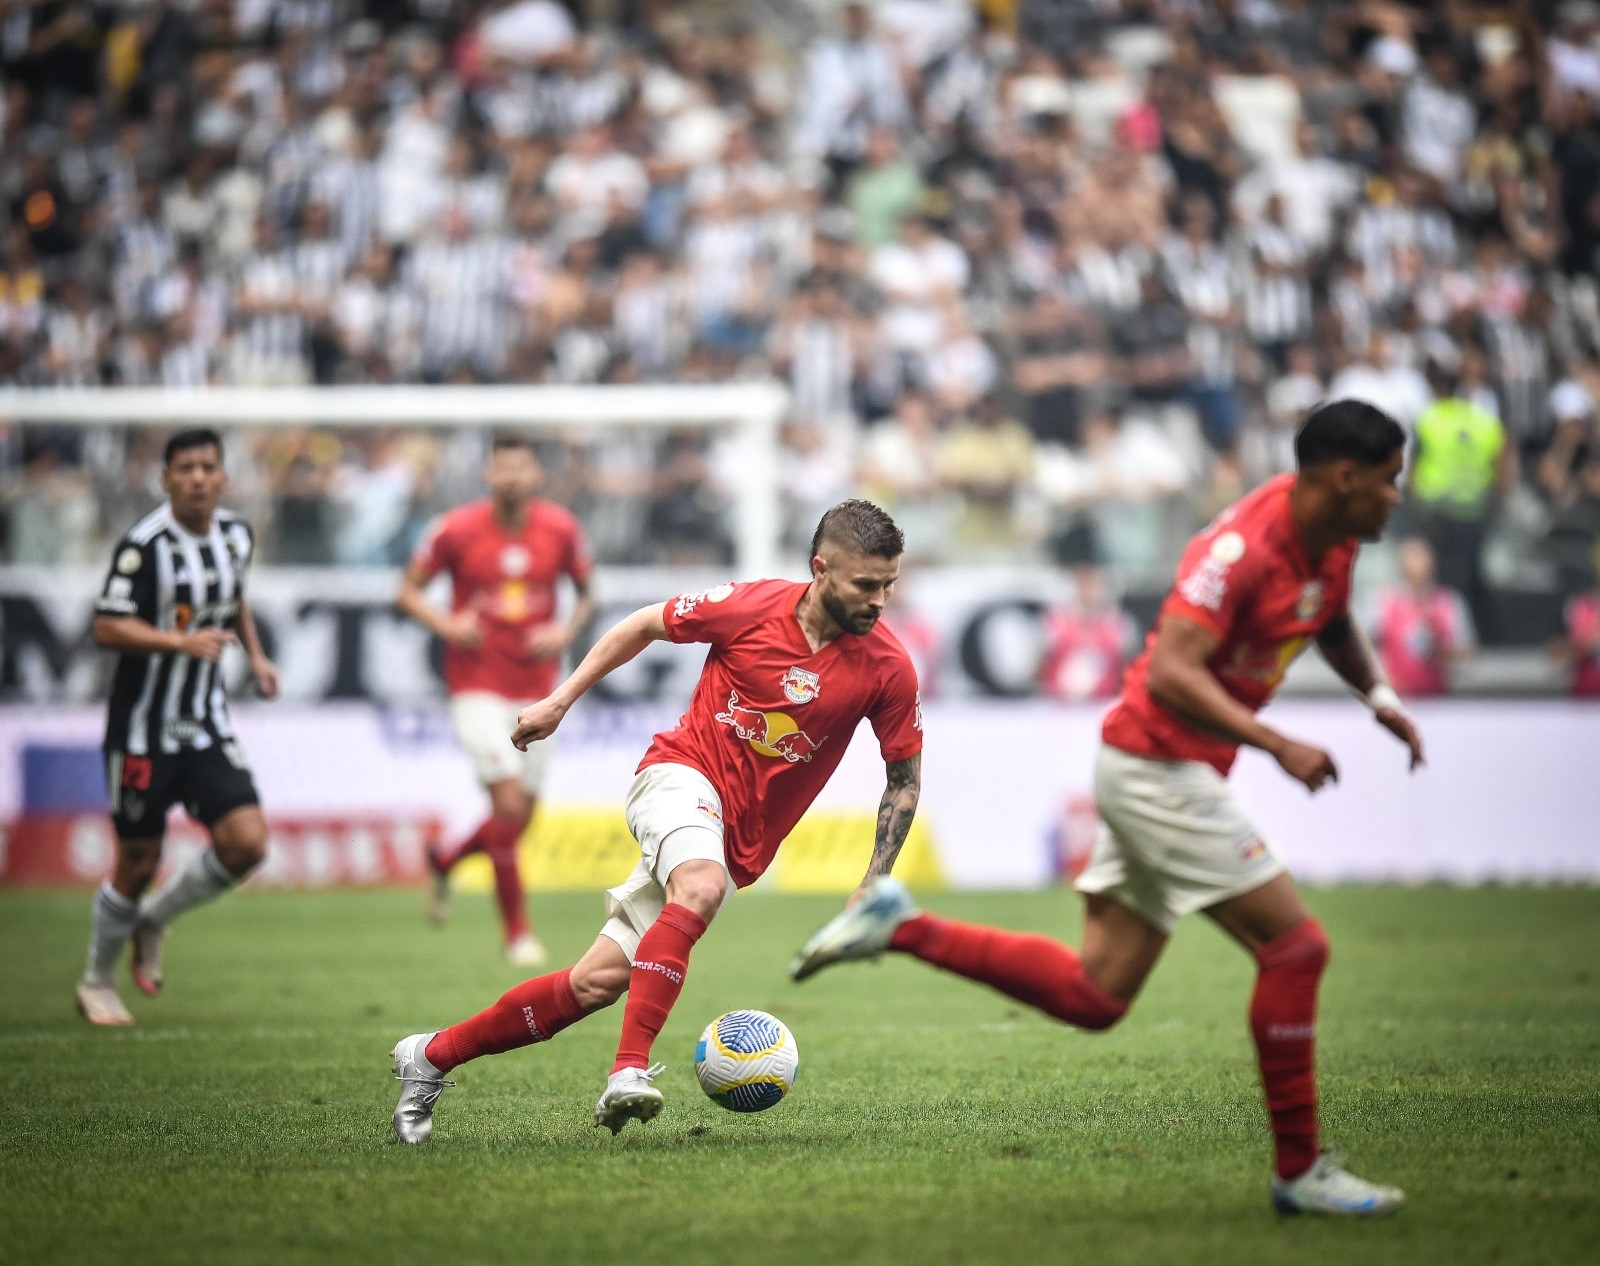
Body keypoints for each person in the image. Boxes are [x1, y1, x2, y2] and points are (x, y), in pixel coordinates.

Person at [792, 401, 1424, 1218]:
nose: (1396, 496)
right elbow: (1170, 673)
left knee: (1095, 995)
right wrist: (1277, 743)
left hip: (1164, 768)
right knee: (1296, 948)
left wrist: (1377, 695)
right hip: (1161, 769)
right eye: (1388, 481)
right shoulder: (1240, 550)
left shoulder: (1331, 540)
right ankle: (1300, 1171)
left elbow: (1326, 615)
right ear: (1344, 478)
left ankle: (901, 925)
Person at [388, 500, 923, 1141]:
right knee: (699, 884)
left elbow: (903, 781)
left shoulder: (888, 667)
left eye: (889, 584)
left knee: (595, 983)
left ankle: (429, 1056)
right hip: (679, 776)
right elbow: (644, 624)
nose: (879, 600)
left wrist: (873, 880)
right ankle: (627, 1071)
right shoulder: (749, 606)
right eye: (866, 585)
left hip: (737, 839)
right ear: (821, 569)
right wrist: (560, 701)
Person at [76, 428, 279, 1027]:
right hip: (141, 729)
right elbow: (106, 626)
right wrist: (178, 642)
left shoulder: (236, 535)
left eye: (207, 468)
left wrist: (257, 656)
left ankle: (155, 919)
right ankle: (96, 981)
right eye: (185, 468)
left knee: (247, 843)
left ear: (223, 477)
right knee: (138, 860)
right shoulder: (144, 547)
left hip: (205, 723)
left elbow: (233, 598)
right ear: (165, 478)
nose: (197, 478)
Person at [397, 434, 594, 966]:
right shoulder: (455, 529)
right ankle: (518, 935)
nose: (511, 478)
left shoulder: (561, 529)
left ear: (536, 475)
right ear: (488, 475)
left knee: (518, 818)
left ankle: (446, 858)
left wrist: (564, 631)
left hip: (539, 690)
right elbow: (407, 591)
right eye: (502, 468)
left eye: (520, 468)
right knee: (506, 805)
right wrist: (446, 624)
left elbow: (588, 594)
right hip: (477, 686)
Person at [1371, 537, 1474, 698]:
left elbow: (1467, 656)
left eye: (1421, 557)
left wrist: (1441, 652)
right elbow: (1364, 650)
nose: (1418, 565)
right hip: (1396, 699)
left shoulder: (1448, 603)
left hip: (1438, 699)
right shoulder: (1383, 603)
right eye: (1412, 558)